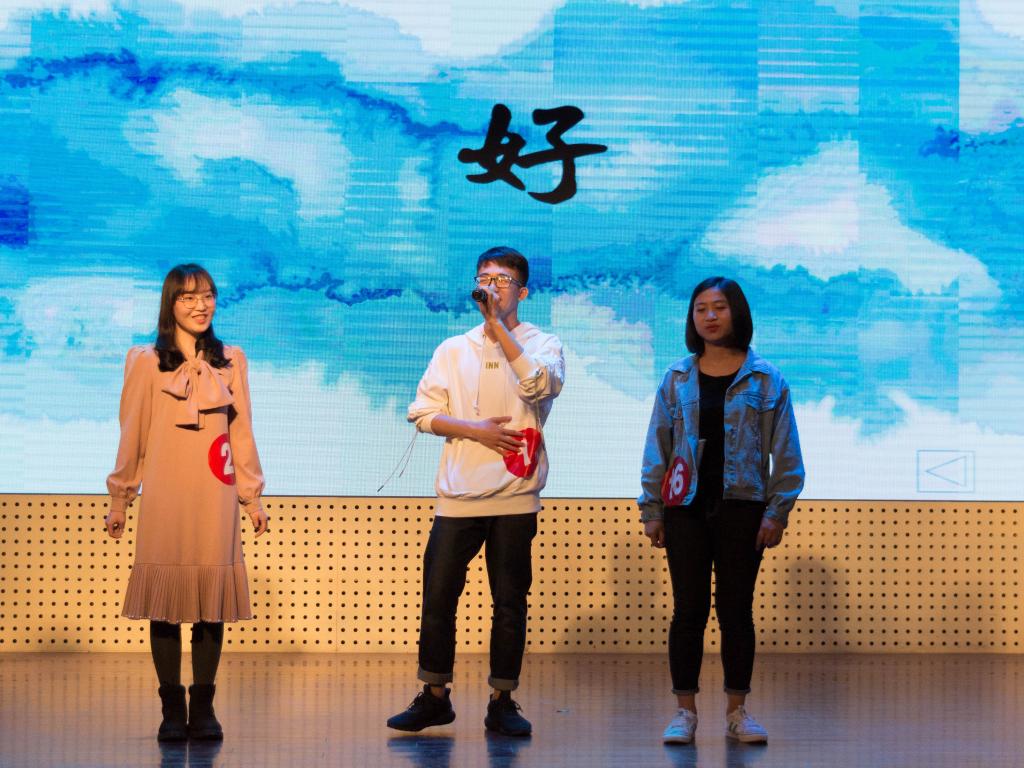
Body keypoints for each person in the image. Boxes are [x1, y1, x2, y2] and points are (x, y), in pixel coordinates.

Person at [386, 246, 565, 737]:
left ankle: (502, 700)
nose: (491, 286)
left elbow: (538, 387)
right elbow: (422, 413)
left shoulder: (543, 344)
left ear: (522, 292)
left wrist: (499, 329)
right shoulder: (453, 348)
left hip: (515, 493)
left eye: (502, 279)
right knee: (438, 597)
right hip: (458, 496)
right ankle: (434, 696)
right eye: (484, 277)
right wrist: (474, 430)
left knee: (509, 602)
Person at [104, 264, 268, 742]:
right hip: (165, 494)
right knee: (165, 604)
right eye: (189, 297)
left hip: (216, 493)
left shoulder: (231, 360)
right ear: (170, 302)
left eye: (208, 295)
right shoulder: (145, 361)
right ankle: (171, 709)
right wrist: (120, 498)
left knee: (210, 603)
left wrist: (252, 497)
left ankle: (205, 706)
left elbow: (241, 432)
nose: (201, 305)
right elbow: (132, 433)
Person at [638, 276, 804, 745]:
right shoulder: (676, 378)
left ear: (737, 313)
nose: (709, 316)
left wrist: (777, 512)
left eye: (719, 307)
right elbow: (658, 445)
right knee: (688, 611)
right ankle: (684, 711)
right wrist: (652, 508)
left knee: (736, 611)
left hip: (743, 509)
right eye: (700, 309)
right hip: (684, 509)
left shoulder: (766, 379)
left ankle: (737, 711)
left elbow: (786, 453)